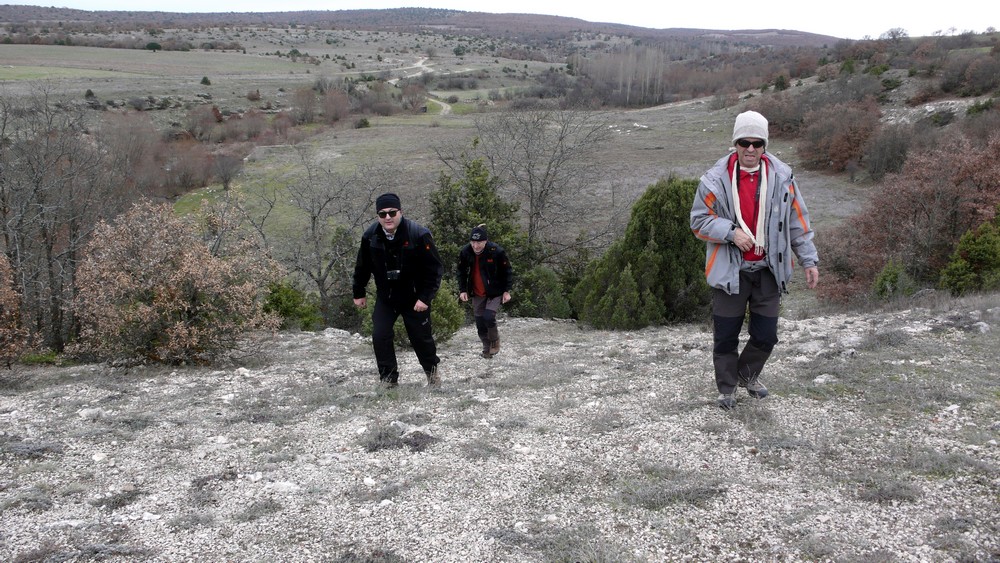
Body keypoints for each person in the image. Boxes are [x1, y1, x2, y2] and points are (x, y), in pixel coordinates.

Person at [690, 110, 820, 410]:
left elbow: (797, 222)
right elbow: (698, 222)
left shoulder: (783, 178)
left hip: (769, 270)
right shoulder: (714, 180)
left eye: (757, 143)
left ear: (765, 145)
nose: (750, 149)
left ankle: (746, 375)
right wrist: (731, 233)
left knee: (766, 335)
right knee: (726, 336)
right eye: (744, 142)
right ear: (735, 143)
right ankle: (726, 389)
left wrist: (809, 260)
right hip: (730, 271)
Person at [352, 193, 444, 388]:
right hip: (387, 297)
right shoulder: (370, 236)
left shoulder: (418, 234)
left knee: (421, 338)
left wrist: (425, 297)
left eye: (392, 212)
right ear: (378, 216)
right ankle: (389, 381)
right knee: (380, 335)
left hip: (415, 298)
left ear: (400, 212)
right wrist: (358, 292)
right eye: (382, 214)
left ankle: (432, 375)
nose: (388, 217)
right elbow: (362, 266)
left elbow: (435, 269)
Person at [457, 225, 514, 358]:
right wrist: (463, 290)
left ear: (486, 241)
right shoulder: (466, 251)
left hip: (495, 291)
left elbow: (507, 271)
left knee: (488, 317)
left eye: (479, 243)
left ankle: (495, 341)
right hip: (477, 291)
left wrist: (506, 291)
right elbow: (461, 271)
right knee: (480, 322)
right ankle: (486, 348)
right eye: (473, 242)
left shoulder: (496, 251)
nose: (476, 246)